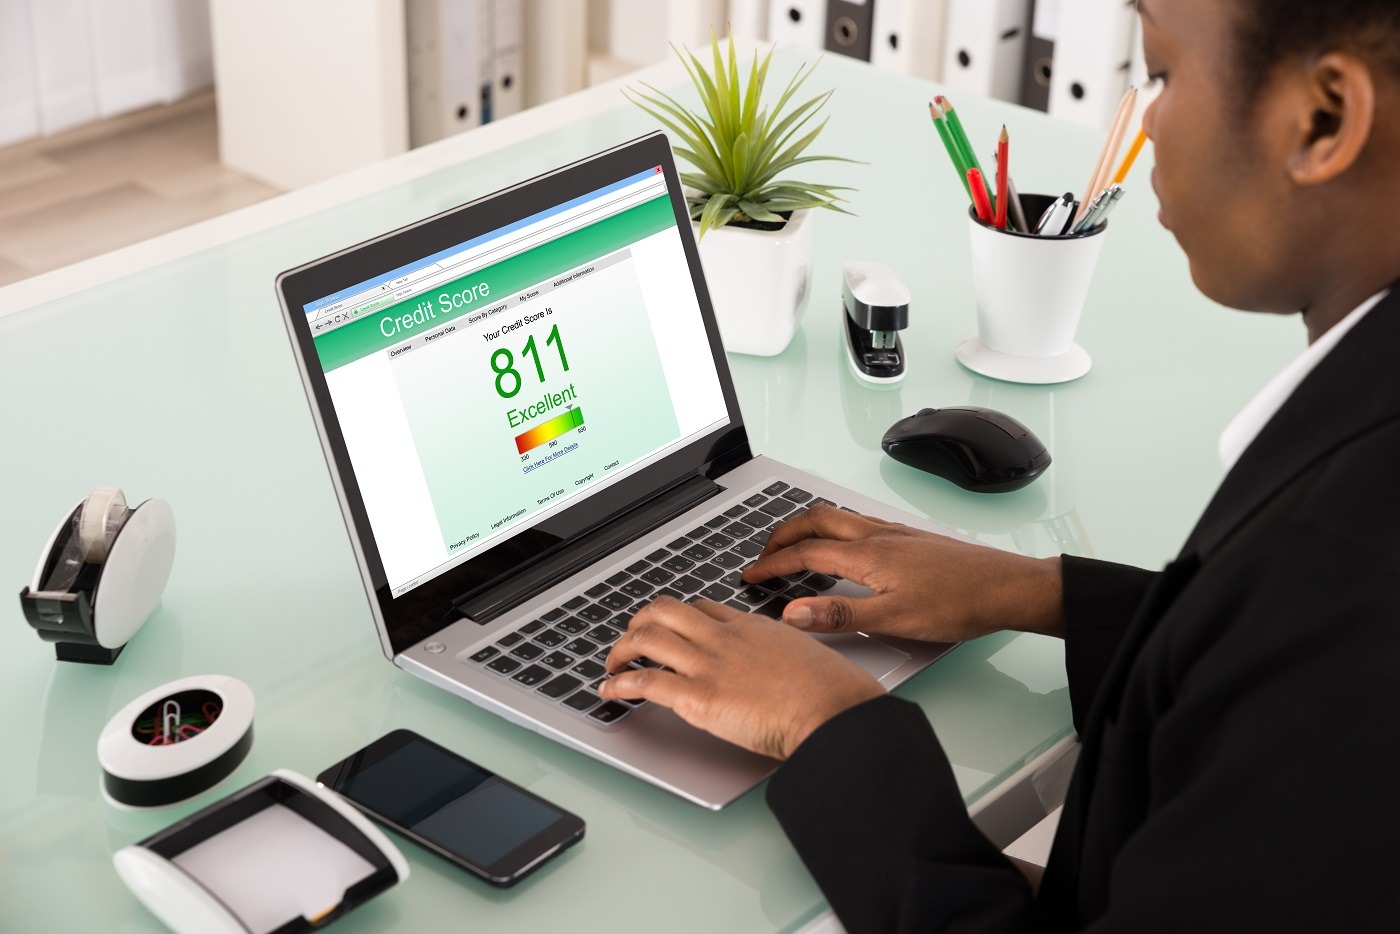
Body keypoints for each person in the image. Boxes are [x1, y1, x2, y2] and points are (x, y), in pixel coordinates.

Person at [601, 0, 1400, 929]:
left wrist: (828, 725)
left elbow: (1304, 657)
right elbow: (1256, 666)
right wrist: (1040, 591)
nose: (1145, 122)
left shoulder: (1346, 578)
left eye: (1165, 73)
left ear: (1325, 118)